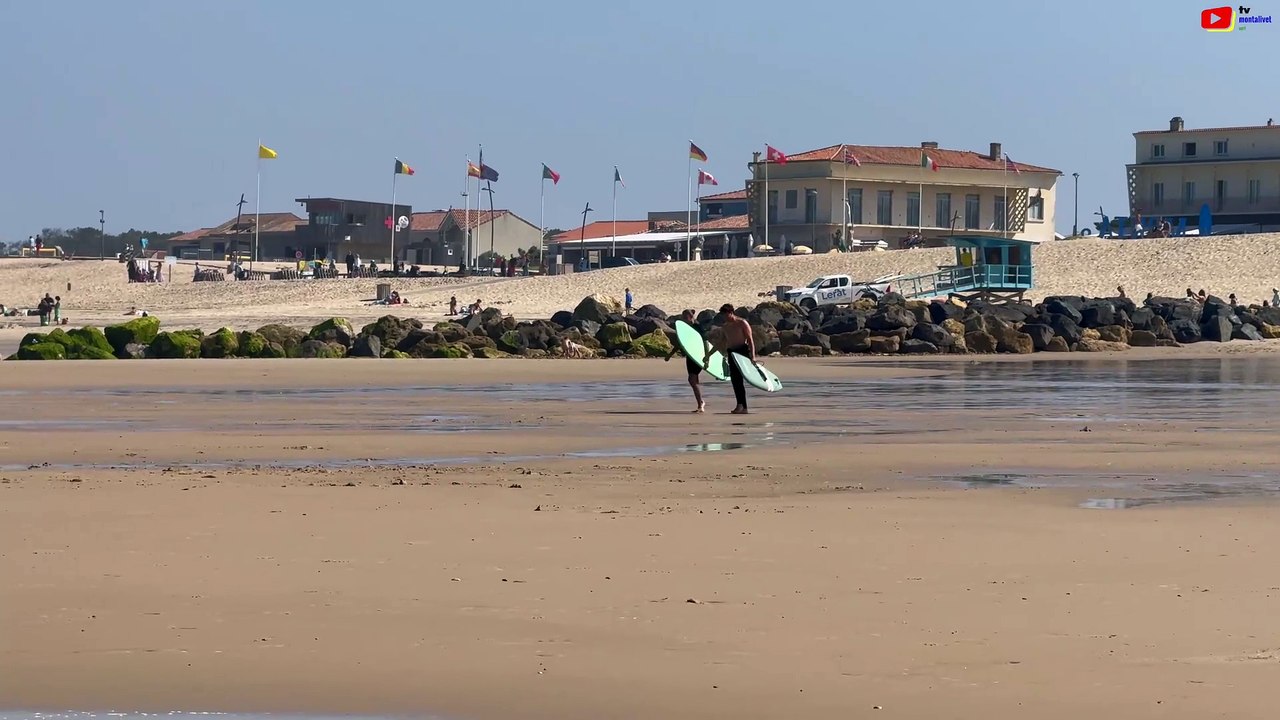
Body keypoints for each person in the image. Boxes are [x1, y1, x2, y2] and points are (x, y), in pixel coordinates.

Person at [712, 303, 755, 414]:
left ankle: (743, 406)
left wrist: (753, 356)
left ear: (731, 313)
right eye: (723, 316)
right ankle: (740, 405)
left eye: (725, 315)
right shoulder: (725, 326)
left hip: (742, 351)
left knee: (740, 380)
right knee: (736, 381)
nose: (724, 317)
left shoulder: (742, 323)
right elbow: (721, 341)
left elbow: (750, 340)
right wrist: (709, 354)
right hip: (731, 353)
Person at [664, 309, 706, 413]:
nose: (683, 319)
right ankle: (700, 402)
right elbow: (680, 343)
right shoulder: (685, 329)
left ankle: (701, 402)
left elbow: (705, 342)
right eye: (683, 317)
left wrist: (707, 357)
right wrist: (670, 354)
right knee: (694, 380)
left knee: (692, 379)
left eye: (685, 317)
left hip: (698, 356)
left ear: (691, 317)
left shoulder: (698, 327)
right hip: (689, 357)